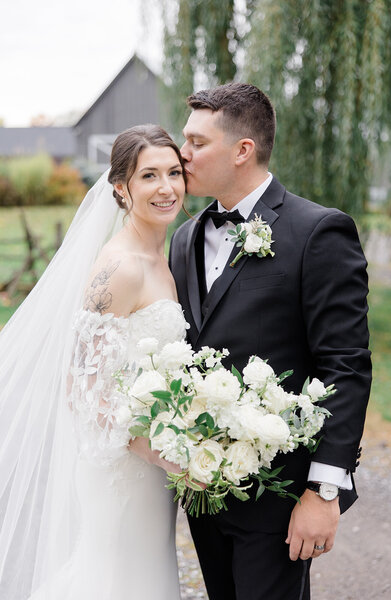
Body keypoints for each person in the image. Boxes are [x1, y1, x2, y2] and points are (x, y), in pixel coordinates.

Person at [169, 83, 371, 600]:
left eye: (196, 142)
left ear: (243, 150)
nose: (181, 153)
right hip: (204, 490)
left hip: (279, 493)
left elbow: (344, 366)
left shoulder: (318, 231)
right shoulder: (185, 236)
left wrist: (323, 491)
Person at [0, 125, 189, 599]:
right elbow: (81, 389)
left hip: (154, 466)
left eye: (174, 172)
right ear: (122, 189)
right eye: (149, 175)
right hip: (124, 468)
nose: (166, 187)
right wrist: (155, 449)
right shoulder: (121, 267)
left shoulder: (161, 255)